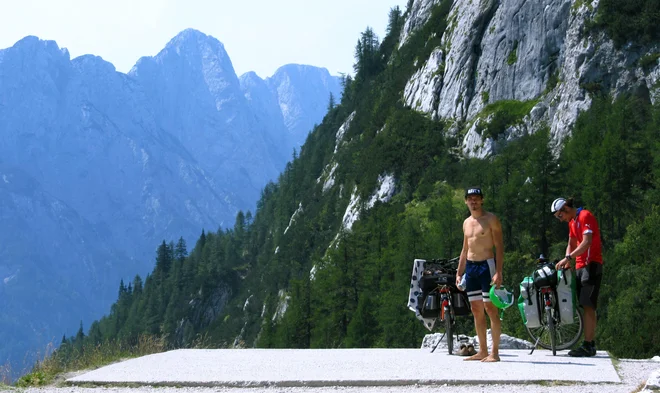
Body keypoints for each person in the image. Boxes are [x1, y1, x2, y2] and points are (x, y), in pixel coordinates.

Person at [456, 187, 504, 362]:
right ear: (466, 201)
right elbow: (465, 249)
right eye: (470, 199)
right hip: (471, 267)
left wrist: (498, 272)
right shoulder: (466, 222)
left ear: (482, 200)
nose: (473, 201)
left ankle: (495, 353)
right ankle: (482, 350)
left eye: (476, 198)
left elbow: (499, 246)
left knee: (490, 309)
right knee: (476, 309)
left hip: (487, 266)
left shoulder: (491, 219)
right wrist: (459, 272)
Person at [551, 197, 603, 357]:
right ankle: (589, 342)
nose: (561, 219)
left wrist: (568, 258)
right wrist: (568, 258)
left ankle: (588, 345)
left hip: (591, 264)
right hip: (580, 266)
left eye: (560, 216)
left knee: (588, 305)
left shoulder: (584, 216)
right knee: (584, 304)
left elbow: (586, 242)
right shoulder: (572, 222)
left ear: (566, 208)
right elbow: (571, 242)